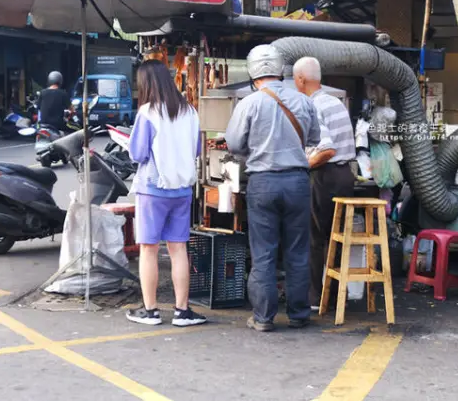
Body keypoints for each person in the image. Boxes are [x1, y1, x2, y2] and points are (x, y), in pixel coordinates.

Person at [225, 45, 320, 332]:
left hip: (263, 182)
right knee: (297, 250)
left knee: (264, 252)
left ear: (254, 74)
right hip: (298, 182)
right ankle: (298, 313)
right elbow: (314, 138)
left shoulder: (249, 103)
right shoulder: (304, 101)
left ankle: (264, 318)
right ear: (281, 71)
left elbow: (233, 144)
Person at [125, 60, 207, 327]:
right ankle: (182, 311)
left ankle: (151, 311)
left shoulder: (147, 113)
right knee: (178, 248)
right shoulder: (190, 112)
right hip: (182, 190)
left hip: (152, 189)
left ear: (146, 84)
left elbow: (137, 153)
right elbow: (195, 150)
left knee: (148, 249)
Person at [293, 57, 356, 309]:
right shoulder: (335, 101)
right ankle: (336, 295)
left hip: (325, 175)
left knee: (314, 238)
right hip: (345, 176)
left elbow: (326, 149)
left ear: (300, 79)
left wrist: (302, 166)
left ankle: (315, 299)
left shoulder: (313, 105)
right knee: (336, 237)